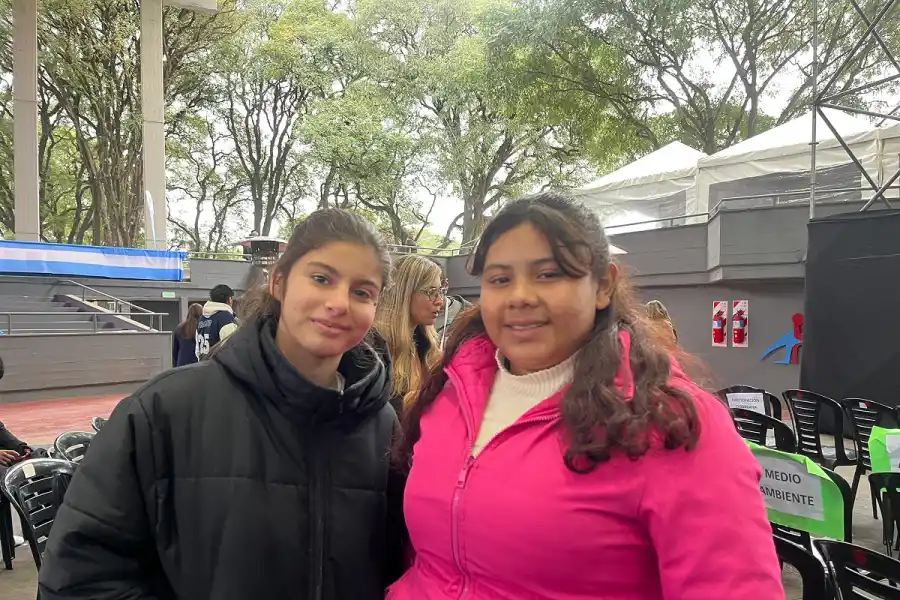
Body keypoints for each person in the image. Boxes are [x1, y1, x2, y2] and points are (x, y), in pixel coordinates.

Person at [389, 193, 784, 600]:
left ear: (603, 286)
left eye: (549, 274)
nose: (520, 296)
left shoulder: (672, 422)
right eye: (500, 279)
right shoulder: (451, 393)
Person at [38, 209, 406, 600]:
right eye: (321, 278)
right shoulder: (164, 411)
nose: (339, 303)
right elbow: (78, 579)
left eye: (362, 292)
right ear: (279, 282)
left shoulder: (381, 426)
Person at [374, 255, 444, 413]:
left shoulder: (426, 345)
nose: (440, 301)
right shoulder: (373, 349)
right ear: (404, 293)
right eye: (431, 292)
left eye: (440, 291)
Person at [196, 284, 238, 360]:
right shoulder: (225, 318)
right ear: (229, 299)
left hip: (202, 365)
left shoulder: (201, 319)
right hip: (217, 367)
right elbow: (230, 348)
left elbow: (197, 350)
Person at [172, 303, 203, 368]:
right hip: (198, 365)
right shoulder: (203, 328)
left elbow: (175, 352)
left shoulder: (179, 328)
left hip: (182, 366)